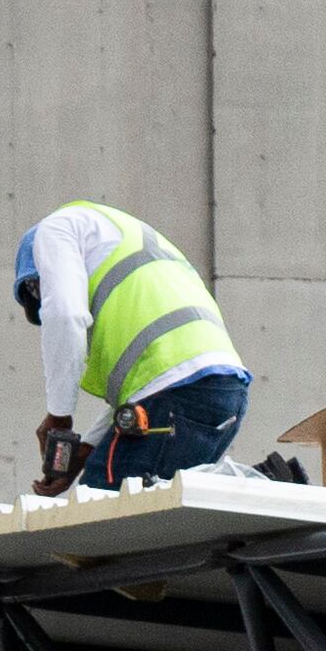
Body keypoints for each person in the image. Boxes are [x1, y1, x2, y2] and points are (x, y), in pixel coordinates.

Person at [18, 202, 250, 491]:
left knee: (100, 513)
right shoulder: (133, 255)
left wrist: (59, 416)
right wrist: (86, 451)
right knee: (160, 521)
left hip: (173, 398)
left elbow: (65, 315)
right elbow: (147, 387)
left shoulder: (55, 230)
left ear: (35, 280)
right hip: (223, 397)